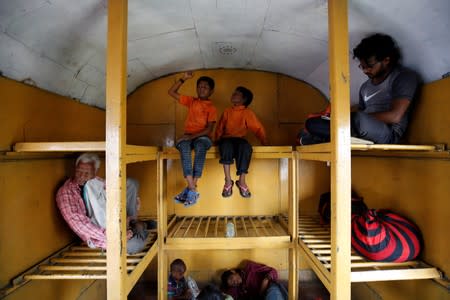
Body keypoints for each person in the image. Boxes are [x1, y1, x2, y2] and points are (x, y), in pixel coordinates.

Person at [298, 33, 420, 145]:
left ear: (386, 60)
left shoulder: (403, 77)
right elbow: (360, 114)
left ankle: (322, 137)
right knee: (312, 122)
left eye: (370, 66)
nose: (365, 70)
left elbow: (395, 116)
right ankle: (329, 135)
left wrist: (348, 118)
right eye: (362, 66)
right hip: (361, 129)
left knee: (358, 119)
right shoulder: (365, 87)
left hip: (388, 133)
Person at [56, 153, 148, 254]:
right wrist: (115, 235)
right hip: (99, 235)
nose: (82, 176)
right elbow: (80, 225)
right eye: (79, 172)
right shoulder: (66, 192)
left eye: (87, 173)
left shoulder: (95, 182)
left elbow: (115, 193)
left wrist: (132, 204)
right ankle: (139, 227)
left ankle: (133, 224)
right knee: (134, 245)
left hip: (114, 221)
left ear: (95, 172)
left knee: (131, 183)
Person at [168, 71, 218, 207]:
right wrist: (183, 79)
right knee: (183, 147)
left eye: (205, 87)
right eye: (200, 86)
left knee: (200, 146)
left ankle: (190, 189)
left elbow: (209, 130)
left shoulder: (211, 108)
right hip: (188, 137)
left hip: (204, 138)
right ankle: (192, 188)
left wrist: (189, 136)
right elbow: (171, 92)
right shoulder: (191, 101)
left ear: (211, 91)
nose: (202, 89)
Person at [214, 86, 268, 198]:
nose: (233, 94)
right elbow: (219, 128)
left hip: (239, 140)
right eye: (234, 92)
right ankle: (228, 181)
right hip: (227, 139)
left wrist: (264, 142)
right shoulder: (227, 111)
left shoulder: (247, 112)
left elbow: (258, 128)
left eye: (237, 94)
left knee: (246, 147)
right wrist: (216, 140)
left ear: (244, 100)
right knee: (225, 145)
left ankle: (242, 181)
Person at [221, 260, 288, 300]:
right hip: (261, 298)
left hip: (270, 287)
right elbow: (227, 295)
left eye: (232, 278)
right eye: (233, 284)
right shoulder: (239, 289)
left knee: (272, 293)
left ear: (233, 271)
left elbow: (272, 271)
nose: (234, 282)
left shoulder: (249, 268)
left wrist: (266, 279)